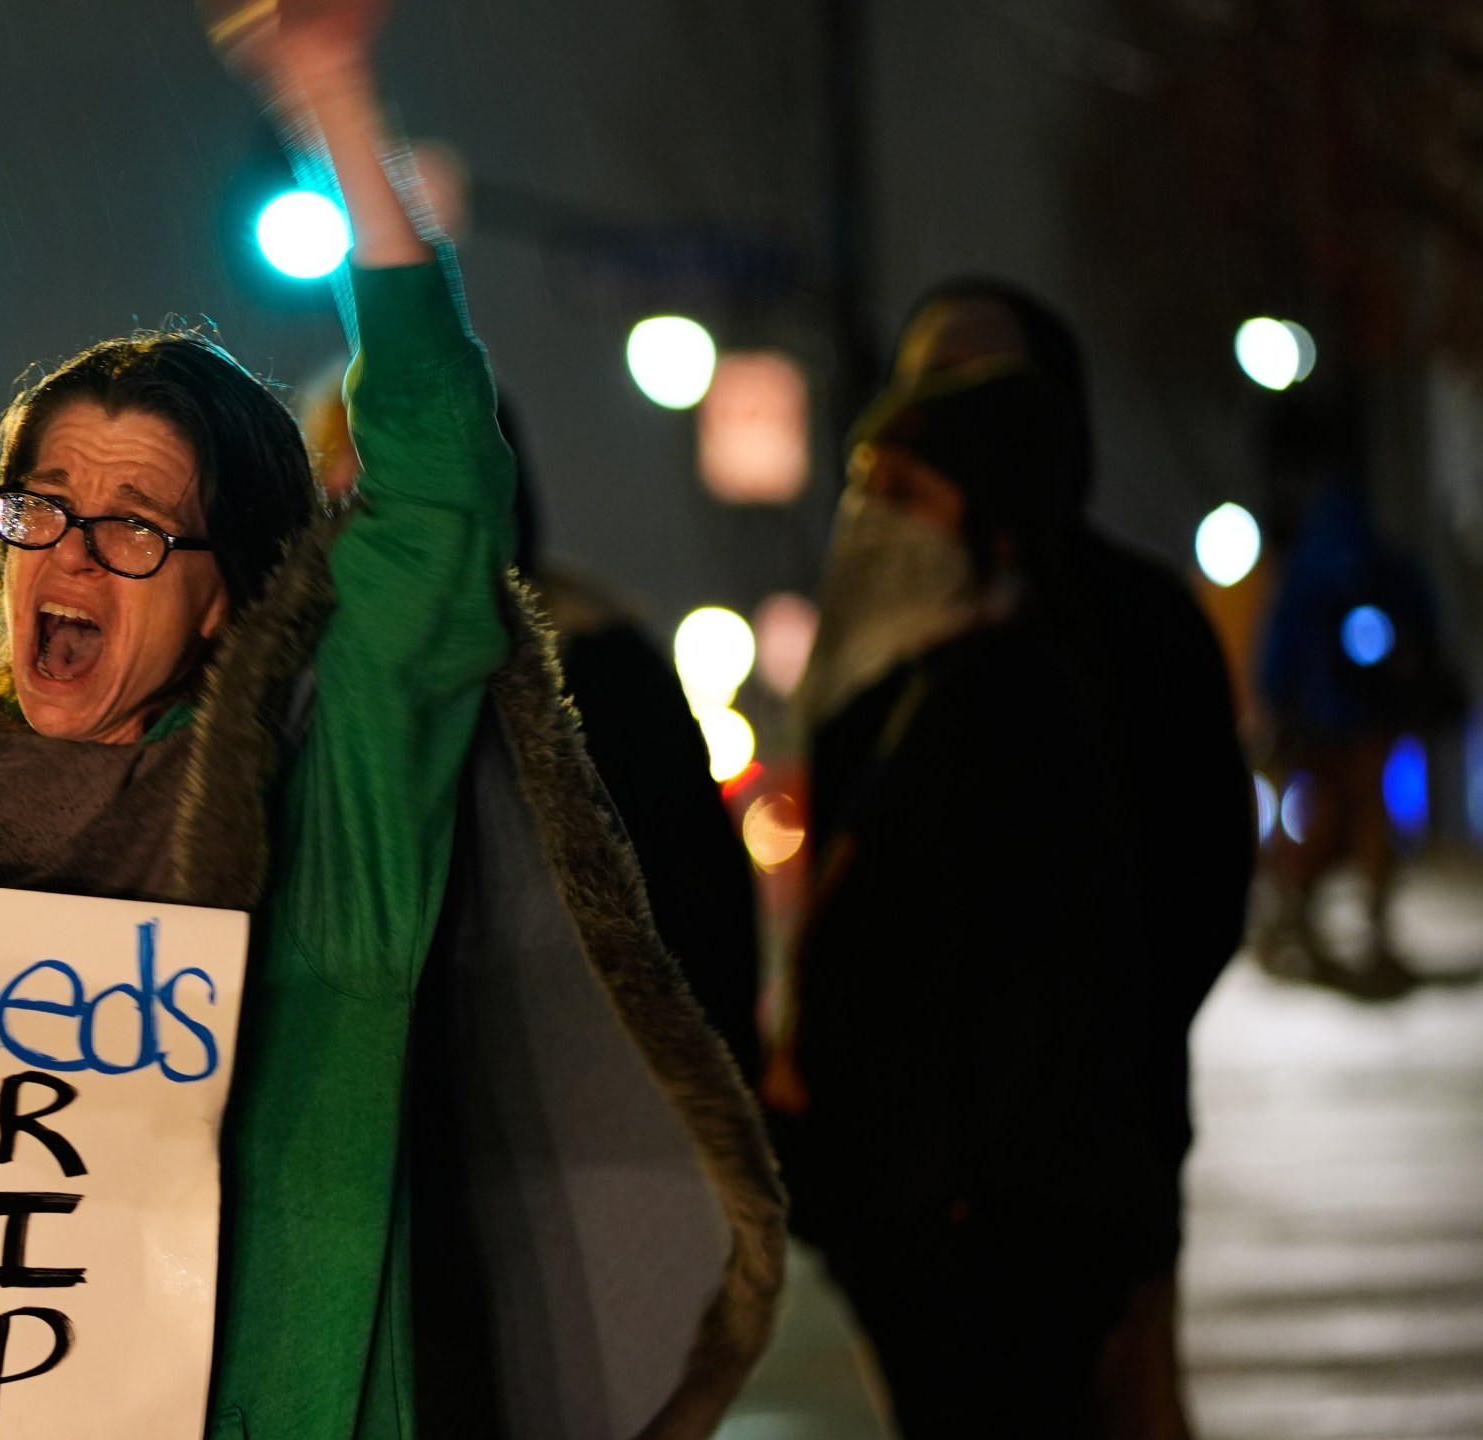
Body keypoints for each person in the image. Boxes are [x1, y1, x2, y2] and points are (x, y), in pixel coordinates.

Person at [0, 2, 784, 1434]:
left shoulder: (320, 811)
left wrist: (334, 105)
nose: (72, 554)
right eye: (44, 506)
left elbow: (440, 487)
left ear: (226, 598)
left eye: (135, 524)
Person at [764, 281, 1253, 1437]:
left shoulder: (1110, 635)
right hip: (922, 1190)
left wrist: (1087, 1099)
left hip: (1053, 1173)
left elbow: (1186, 885)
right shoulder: (886, 647)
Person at [303, 369, 766, 1081]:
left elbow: (696, 898)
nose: (354, 497)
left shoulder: (601, 661)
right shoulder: (301, 674)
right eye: (337, 470)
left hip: (583, 1076)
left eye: (376, 469)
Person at [1255, 390, 1460, 992]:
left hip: (1328, 714)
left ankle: (1307, 921)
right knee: (1359, 819)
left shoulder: (1314, 561)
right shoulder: (1372, 553)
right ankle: (1343, 925)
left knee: (1337, 819)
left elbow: (1283, 642)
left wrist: (1278, 699)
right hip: (1360, 712)